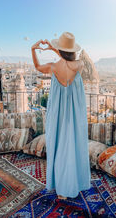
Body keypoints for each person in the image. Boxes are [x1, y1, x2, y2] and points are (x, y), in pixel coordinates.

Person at [31, 32, 91, 200]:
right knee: (73, 144)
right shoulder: (78, 65)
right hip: (74, 114)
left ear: (60, 49)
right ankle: (74, 183)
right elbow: (68, 61)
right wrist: (55, 49)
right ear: (72, 50)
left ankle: (61, 187)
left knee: (58, 145)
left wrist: (34, 49)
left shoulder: (52, 67)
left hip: (58, 113)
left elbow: (37, 66)